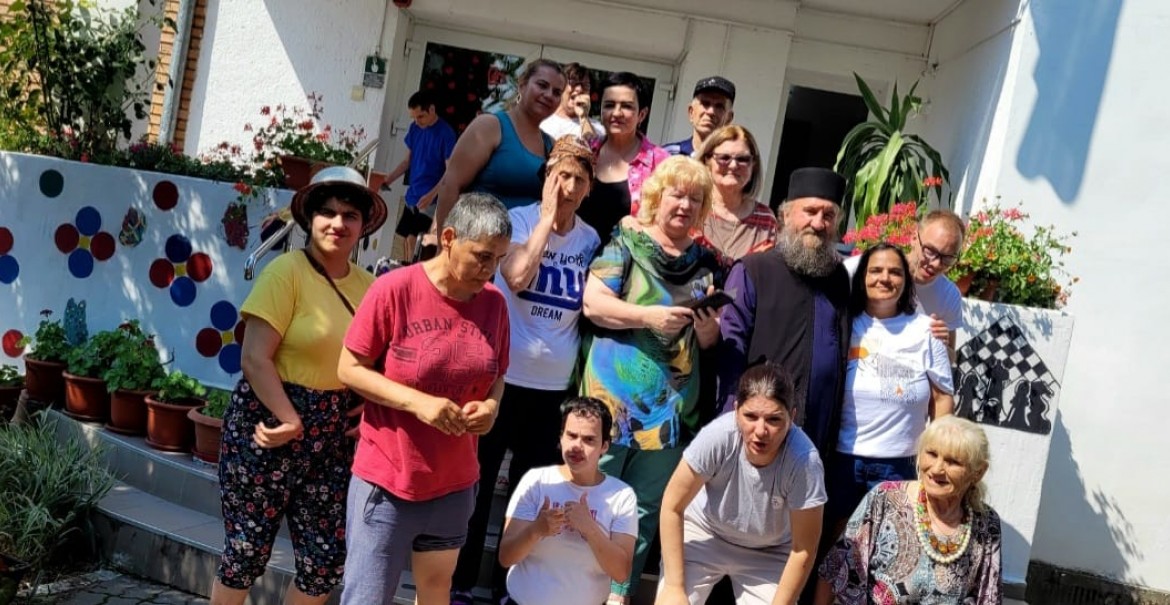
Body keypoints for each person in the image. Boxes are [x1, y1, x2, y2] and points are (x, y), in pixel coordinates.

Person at [212, 166, 387, 605]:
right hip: (268, 425)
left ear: (363, 225)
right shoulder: (285, 272)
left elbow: (380, 363)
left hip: (332, 438)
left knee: (324, 563)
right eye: (327, 212)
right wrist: (289, 418)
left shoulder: (372, 289)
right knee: (246, 552)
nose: (338, 223)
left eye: (350, 215)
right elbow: (254, 358)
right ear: (309, 218)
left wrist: (370, 405)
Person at [336, 193, 513, 605]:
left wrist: (491, 407)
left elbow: (498, 376)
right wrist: (419, 403)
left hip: (454, 482)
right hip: (389, 479)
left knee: (435, 592)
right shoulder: (394, 289)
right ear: (448, 238)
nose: (491, 270)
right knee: (367, 597)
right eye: (483, 256)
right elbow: (349, 368)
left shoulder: (495, 304)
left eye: (499, 259)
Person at [451, 137, 601, 604]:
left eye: (578, 179)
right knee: (477, 484)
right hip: (503, 379)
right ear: (546, 179)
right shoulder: (515, 222)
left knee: (529, 494)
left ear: (589, 188)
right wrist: (544, 222)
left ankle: (508, 587)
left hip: (553, 387)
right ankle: (460, 582)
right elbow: (516, 278)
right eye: (560, 176)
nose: (568, 187)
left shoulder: (591, 240)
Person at [580, 156, 722, 604]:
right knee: (591, 497)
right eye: (677, 194)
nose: (684, 205)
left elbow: (709, 340)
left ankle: (617, 595)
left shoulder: (706, 263)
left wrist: (706, 329)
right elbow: (593, 304)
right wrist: (648, 316)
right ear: (658, 196)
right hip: (609, 403)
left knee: (642, 512)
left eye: (695, 198)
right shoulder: (625, 241)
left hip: (671, 412)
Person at [656, 363, 825, 605]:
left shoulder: (804, 461)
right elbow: (672, 506)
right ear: (736, 411)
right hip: (705, 532)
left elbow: (803, 549)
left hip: (770, 551)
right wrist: (674, 587)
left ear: (792, 417)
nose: (761, 431)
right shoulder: (717, 437)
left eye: (774, 419)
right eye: (750, 417)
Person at [717, 167, 851, 455]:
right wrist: (729, 424)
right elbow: (730, 352)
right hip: (757, 433)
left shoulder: (838, 278)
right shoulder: (753, 270)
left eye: (828, 215)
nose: (818, 223)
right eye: (810, 211)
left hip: (815, 437)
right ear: (786, 215)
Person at [826, 243, 955, 541]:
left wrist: (938, 456)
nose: (884, 278)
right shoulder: (843, 323)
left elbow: (942, 398)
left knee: (891, 545)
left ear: (906, 281)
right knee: (836, 545)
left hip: (900, 462)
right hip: (844, 458)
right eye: (876, 270)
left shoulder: (927, 330)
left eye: (895, 272)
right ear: (862, 278)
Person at [815, 416, 1002, 604]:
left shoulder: (986, 523)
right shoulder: (885, 498)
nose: (936, 469)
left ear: (978, 472)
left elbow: (989, 596)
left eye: (952, 462)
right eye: (932, 454)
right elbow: (834, 569)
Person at [498, 397, 638, 605]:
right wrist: (536, 530)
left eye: (589, 440)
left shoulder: (622, 496)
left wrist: (590, 529)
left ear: (604, 447)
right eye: (571, 436)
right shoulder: (536, 481)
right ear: (560, 438)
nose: (577, 446)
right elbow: (506, 557)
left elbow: (621, 572)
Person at [433, 59, 565, 232]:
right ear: (522, 85)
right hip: (476, 240)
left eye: (557, 92)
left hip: (523, 247)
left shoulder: (551, 145)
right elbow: (450, 185)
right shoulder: (489, 126)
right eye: (542, 85)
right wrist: (444, 243)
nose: (548, 95)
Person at [844, 210, 966, 353]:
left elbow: (951, 357)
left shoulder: (948, 296)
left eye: (948, 258)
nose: (936, 264)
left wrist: (941, 345)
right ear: (914, 237)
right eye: (930, 251)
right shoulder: (858, 269)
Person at [577, 71, 669, 250]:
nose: (616, 113)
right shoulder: (584, 151)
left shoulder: (660, 163)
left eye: (626, 106)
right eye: (609, 105)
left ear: (642, 114)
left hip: (628, 261)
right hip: (575, 259)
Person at [385, 90, 458, 260]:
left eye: (421, 116)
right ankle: (407, 269)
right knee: (405, 239)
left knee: (416, 240)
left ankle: (413, 271)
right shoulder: (415, 128)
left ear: (431, 109)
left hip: (431, 199)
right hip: (413, 194)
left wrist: (432, 194)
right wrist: (388, 179)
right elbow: (407, 161)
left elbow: (450, 171)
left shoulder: (446, 134)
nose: (417, 122)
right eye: (414, 118)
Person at [692, 125, 778, 268]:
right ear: (707, 161)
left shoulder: (766, 220)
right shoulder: (691, 207)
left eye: (742, 159)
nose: (733, 165)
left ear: (753, 165)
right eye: (724, 158)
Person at [662, 76, 736, 158]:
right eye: (705, 103)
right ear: (691, 112)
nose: (711, 112)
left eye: (719, 106)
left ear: (729, 119)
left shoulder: (732, 162)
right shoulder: (667, 156)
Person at [541, 62, 604, 143]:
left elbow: (594, 148)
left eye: (585, 85)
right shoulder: (542, 121)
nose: (579, 89)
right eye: (573, 83)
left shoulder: (598, 129)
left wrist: (583, 117)